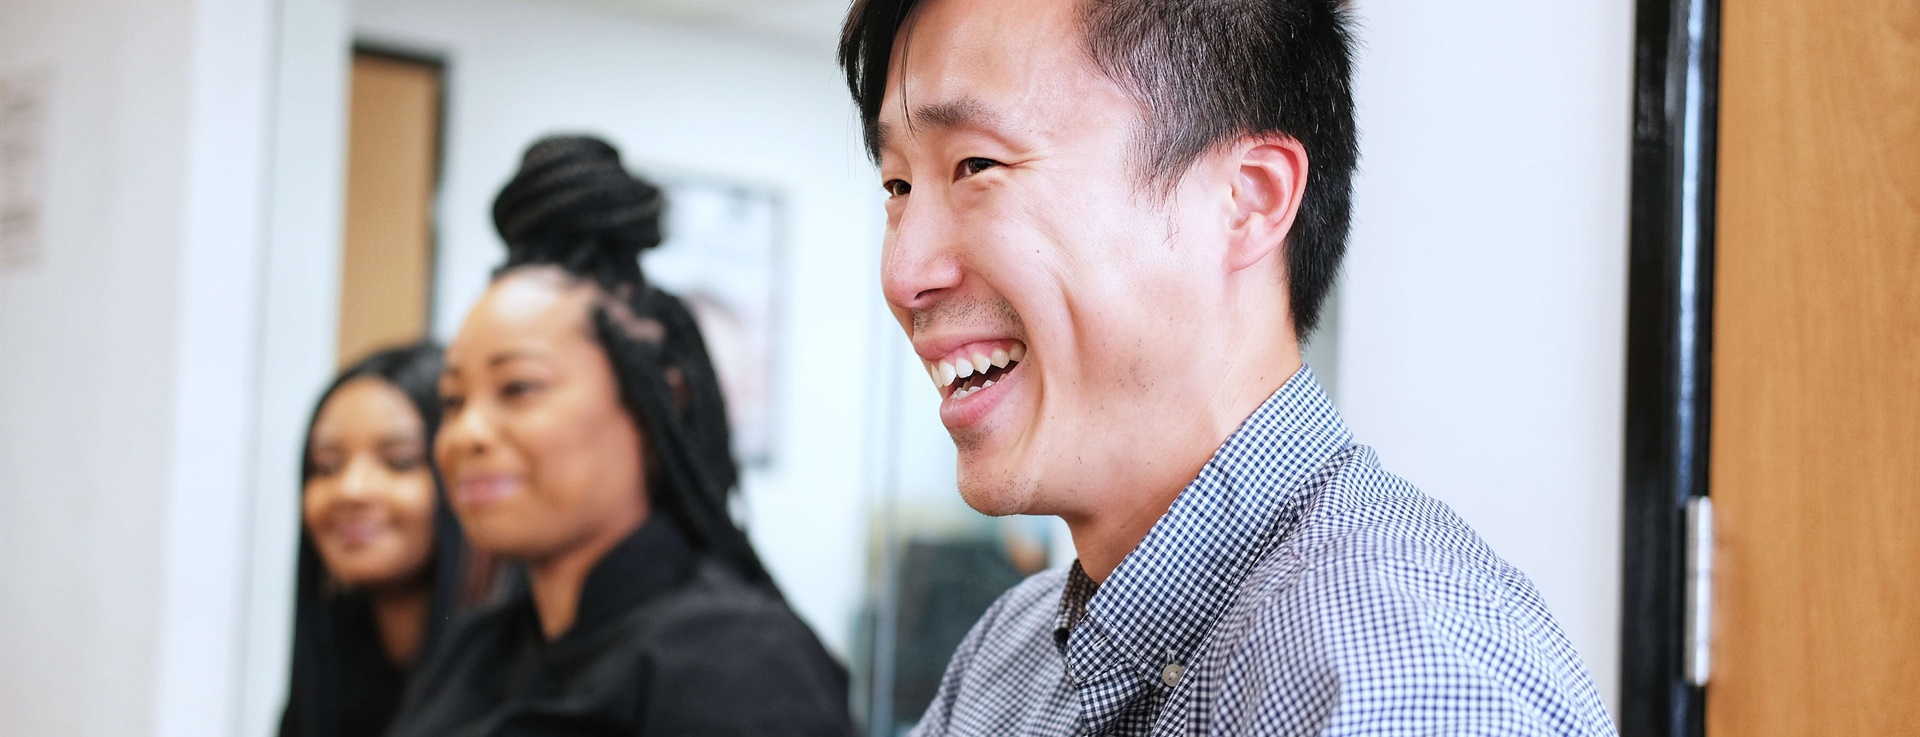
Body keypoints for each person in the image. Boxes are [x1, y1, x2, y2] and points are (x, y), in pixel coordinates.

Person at [838, 0, 1617, 735]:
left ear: (1247, 199)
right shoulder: (1006, 659)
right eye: (897, 185)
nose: (902, 273)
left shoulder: (1392, 676)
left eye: (975, 165)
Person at [387, 135, 854, 736]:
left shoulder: (742, 666)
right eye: (453, 400)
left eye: (519, 387)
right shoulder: (477, 648)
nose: (466, 435)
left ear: (655, 401)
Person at [281, 342, 481, 737]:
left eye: (400, 461)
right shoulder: (332, 664)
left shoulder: (516, 671)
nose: (351, 490)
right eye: (327, 466)